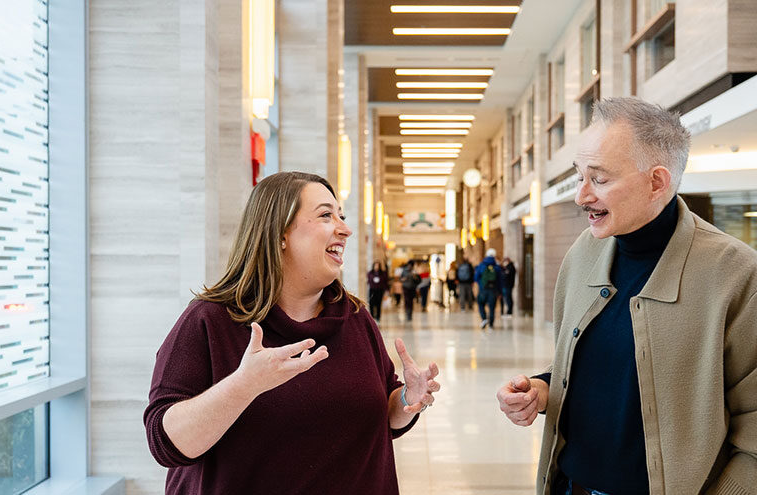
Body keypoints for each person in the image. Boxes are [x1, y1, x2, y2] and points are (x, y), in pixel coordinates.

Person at [496, 97, 757, 495]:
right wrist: (542, 388)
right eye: (579, 176)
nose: (581, 196)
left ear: (657, 181)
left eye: (598, 179)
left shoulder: (736, 274)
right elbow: (595, 369)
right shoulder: (583, 253)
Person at [144, 172, 441, 494]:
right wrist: (244, 385)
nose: (345, 228)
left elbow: (383, 416)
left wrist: (409, 398)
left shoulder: (354, 318)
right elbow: (167, 444)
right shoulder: (210, 320)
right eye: (326, 215)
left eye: (341, 215)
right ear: (280, 233)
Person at [474, 248, 502, 330]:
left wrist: (481, 284)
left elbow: (476, 278)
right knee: (492, 307)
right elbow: (500, 281)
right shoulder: (497, 267)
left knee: (480, 303)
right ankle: (491, 325)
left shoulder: (481, 265)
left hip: (483, 289)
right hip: (493, 290)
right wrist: (499, 292)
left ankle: (484, 318)